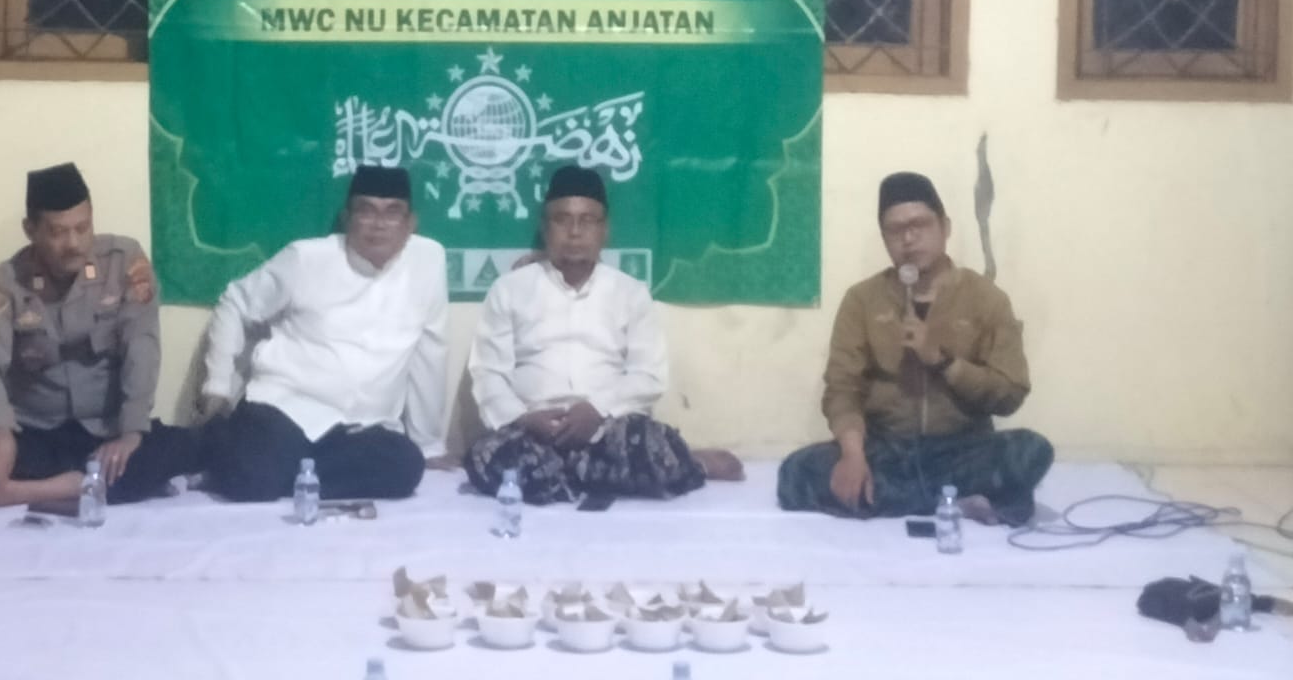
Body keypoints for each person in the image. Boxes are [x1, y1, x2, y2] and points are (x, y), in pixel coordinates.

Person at [778, 171, 1053, 527]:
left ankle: (894, 499)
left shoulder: (986, 298)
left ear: (945, 228)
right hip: (886, 448)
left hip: (962, 447)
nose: (908, 239)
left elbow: (1010, 393)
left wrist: (943, 362)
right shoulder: (862, 300)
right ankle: (954, 499)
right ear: (884, 239)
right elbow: (843, 388)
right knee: (795, 473)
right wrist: (853, 455)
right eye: (895, 230)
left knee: (1031, 450)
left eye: (920, 225)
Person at [465, 166, 742, 505]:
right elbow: (488, 372)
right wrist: (524, 418)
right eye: (562, 219)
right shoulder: (509, 289)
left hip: (607, 429)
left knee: (649, 442)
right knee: (484, 456)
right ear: (545, 227)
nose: (575, 232)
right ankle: (614, 474)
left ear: (605, 229)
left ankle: (566, 477)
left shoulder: (631, 293)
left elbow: (648, 374)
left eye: (587, 220)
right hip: (532, 433)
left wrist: (597, 410)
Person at [0, 163, 197, 510]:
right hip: (35, 431)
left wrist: (130, 435)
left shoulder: (125, 262)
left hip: (104, 430)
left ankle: (17, 493)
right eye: (58, 232)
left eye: (83, 228)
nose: (74, 244)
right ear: (30, 230)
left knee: (176, 449)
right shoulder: (4, 285)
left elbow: (142, 347)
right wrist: (4, 444)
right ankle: (82, 487)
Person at [197, 165, 450, 501]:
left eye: (392, 212)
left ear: (410, 224)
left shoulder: (429, 261)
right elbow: (235, 303)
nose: (378, 223)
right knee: (254, 475)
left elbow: (429, 355)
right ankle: (257, 463)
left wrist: (429, 444)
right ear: (347, 218)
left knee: (406, 466)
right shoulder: (306, 258)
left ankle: (277, 472)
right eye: (366, 210)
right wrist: (217, 385)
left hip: (359, 429)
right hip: (286, 409)